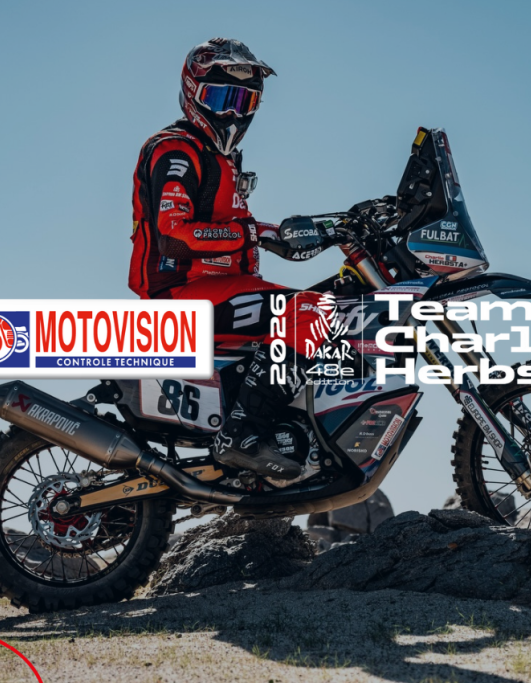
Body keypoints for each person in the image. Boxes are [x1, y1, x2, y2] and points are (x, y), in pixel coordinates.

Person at [129, 38, 333, 480]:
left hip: (216, 290)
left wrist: (289, 235)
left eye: (245, 101)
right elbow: (174, 238)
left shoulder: (224, 158)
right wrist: (252, 234)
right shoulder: (176, 150)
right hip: (181, 295)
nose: (233, 113)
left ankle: (278, 434)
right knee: (311, 311)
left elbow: (232, 228)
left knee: (327, 304)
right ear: (193, 93)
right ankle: (243, 434)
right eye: (221, 98)